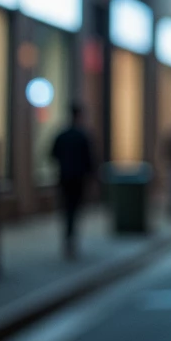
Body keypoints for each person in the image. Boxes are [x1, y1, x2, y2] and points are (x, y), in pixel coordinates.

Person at [50, 103, 95, 260]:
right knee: (74, 210)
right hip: (78, 179)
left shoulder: (62, 135)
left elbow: (52, 154)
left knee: (67, 209)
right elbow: (90, 160)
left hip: (65, 177)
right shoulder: (82, 135)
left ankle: (68, 238)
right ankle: (71, 239)